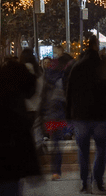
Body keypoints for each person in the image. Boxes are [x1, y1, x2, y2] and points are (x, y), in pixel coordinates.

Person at [66, 35, 106, 194]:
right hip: (101, 114)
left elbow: (69, 93)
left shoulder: (77, 67)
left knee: (83, 150)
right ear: (96, 46)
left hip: (81, 115)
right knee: (101, 149)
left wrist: (69, 114)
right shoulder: (103, 66)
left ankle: (84, 182)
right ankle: (98, 181)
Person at [0, 58, 41, 196]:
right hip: (16, 145)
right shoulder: (17, 102)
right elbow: (31, 89)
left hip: (4, 148)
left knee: (8, 184)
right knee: (12, 184)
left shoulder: (0, 93)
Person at [40, 51, 73, 181]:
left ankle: (53, 170)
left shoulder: (47, 75)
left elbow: (43, 95)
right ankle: (56, 171)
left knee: (54, 141)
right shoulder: (63, 76)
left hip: (48, 112)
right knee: (56, 143)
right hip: (58, 112)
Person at [19, 48, 43, 148]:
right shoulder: (38, 70)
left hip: (24, 106)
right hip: (37, 104)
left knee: (25, 132)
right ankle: (38, 147)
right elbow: (42, 88)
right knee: (36, 129)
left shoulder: (20, 70)